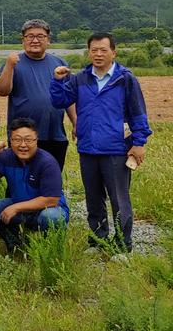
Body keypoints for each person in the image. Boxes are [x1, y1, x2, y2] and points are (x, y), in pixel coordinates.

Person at [50, 32, 151, 251]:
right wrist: (58, 81)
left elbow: (138, 114)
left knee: (119, 200)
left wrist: (139, 142)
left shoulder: (125, 79)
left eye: (103, 50)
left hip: (116, 149)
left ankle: (124, 245)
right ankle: (98, 241)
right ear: (88, 53)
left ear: (113, 53)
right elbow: (60, 101)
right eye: (93, 50)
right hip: (88, 149)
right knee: (93, 199)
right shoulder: (80, 78)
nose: (98, 54)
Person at [0, 118, 69, 252]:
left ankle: (52, 249)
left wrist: (16, 208)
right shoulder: (6, 157)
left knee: (50, 217)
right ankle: (13, 238)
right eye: (17, 140)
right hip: (19, 205)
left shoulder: (47, 162)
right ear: (10, 141)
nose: (23, 145)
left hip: (48, 209)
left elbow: (51, 200)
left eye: (28, 140)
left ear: (36, 140)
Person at [0, 19, 76, 169]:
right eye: (30, 36)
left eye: (40, 36)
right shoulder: (13, 63)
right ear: (23, 40)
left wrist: (76, 122)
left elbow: (68, 98)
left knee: (51, 179)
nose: (35, 40)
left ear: (48, 40)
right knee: (22, 181)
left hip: (55, 134)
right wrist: (10, 66)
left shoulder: (59, 63)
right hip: (23, 138)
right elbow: (2, 91)